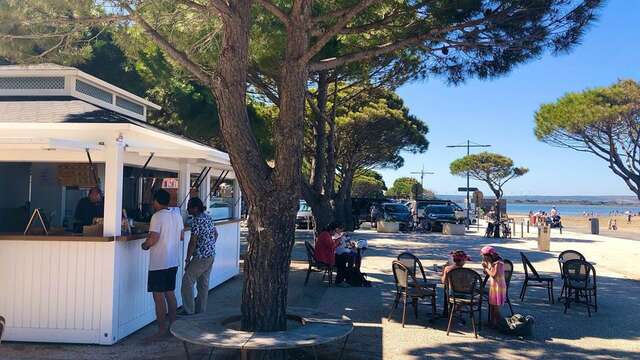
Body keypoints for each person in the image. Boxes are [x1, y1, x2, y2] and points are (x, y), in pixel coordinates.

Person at [141, 189, 184, 339]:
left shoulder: (157, 216)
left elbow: (153, 238)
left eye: (153, 201)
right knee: (170, 294)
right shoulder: (177, 215)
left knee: (158, 297)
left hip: (159, 262)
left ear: (156, 201)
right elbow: (181, 236)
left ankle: (161, 330)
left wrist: (145, 245)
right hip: (173, 260)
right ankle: (174, 327)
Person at [180, 197, 217, 315]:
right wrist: (209, 244)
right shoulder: (208, 217)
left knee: (187, 281)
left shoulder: (196, 221)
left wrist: (187, 259)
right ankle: (200, 311)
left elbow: (193, 241)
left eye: (189, 207)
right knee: (203, 284)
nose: (187, 210)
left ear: (195, 208)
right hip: (210, 255)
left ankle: (189, 310)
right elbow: (216, 234)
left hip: (201, 257)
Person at [481, 246, 506, 328]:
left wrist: (486, 268)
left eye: (486, 257)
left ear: (490, 256)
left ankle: (501, 324)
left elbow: (493, 274)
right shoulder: (492, 261)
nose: (485, 259)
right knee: (492, 305)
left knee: (495, 307)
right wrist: (485, 268)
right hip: (493, 286)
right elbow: (488, 273)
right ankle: (492, 322)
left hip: (498, 287)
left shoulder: (498, 262)